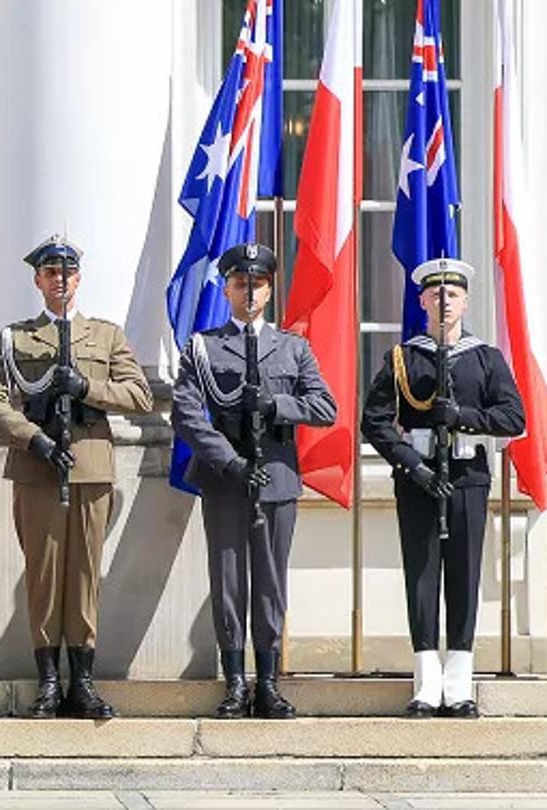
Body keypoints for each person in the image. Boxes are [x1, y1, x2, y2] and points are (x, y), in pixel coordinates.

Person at [0, 234, 153, 720]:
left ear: (78, 277)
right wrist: (34, 438)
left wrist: (88, 385)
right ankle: (49, 681)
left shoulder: (105, 336)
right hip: (37, 466)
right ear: (38, 280)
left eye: (67, 272)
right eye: (51, 273)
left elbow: (140, 395)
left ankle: (83, 683)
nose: (60, 280)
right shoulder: (17, 338)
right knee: (45, 577)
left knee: (86, 576)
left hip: (89, 465)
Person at [170, 243, 336, 720]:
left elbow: (325, 407)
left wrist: (276, 405)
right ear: (227, 289)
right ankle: (235, 682)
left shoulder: (293, 347)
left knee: (270, 583)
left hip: (277, 476)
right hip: (226, 479)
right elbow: (185, 412)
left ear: (269, 288)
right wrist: (228, 460)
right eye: (240, 283)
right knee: (227, 581)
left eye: (257, 283)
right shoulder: (203, 347)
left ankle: (268, 683)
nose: (249, 292)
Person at [361, 257, 525, 719]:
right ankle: (426, 682)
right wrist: (413, 466)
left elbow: (514, 418)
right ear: (422, 301)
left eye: (452, 294)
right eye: (435, 295)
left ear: (466, 301)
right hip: (419, 480)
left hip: (468, 477)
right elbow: (373, 421)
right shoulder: (403, 358)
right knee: (422, 576)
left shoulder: (485, 358)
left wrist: (464, 417)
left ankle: (459, 682)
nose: (444, 302)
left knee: (464, 575)